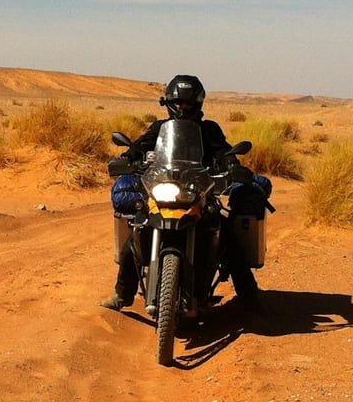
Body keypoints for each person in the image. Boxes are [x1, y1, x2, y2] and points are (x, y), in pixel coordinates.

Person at [102, 74, 262, 311]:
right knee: (135, 235)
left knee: (226, 236)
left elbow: (224, 152)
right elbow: (141, 146)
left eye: (188, 103)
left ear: (198, 104)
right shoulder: (159, 128)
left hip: (198, 193)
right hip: (163, 190)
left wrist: (232, 166)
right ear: (169, 103)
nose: (183, 107)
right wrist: (128, 157)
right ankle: (123, 294)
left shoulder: (209, 130)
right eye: (178, 103)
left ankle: (249, 295)